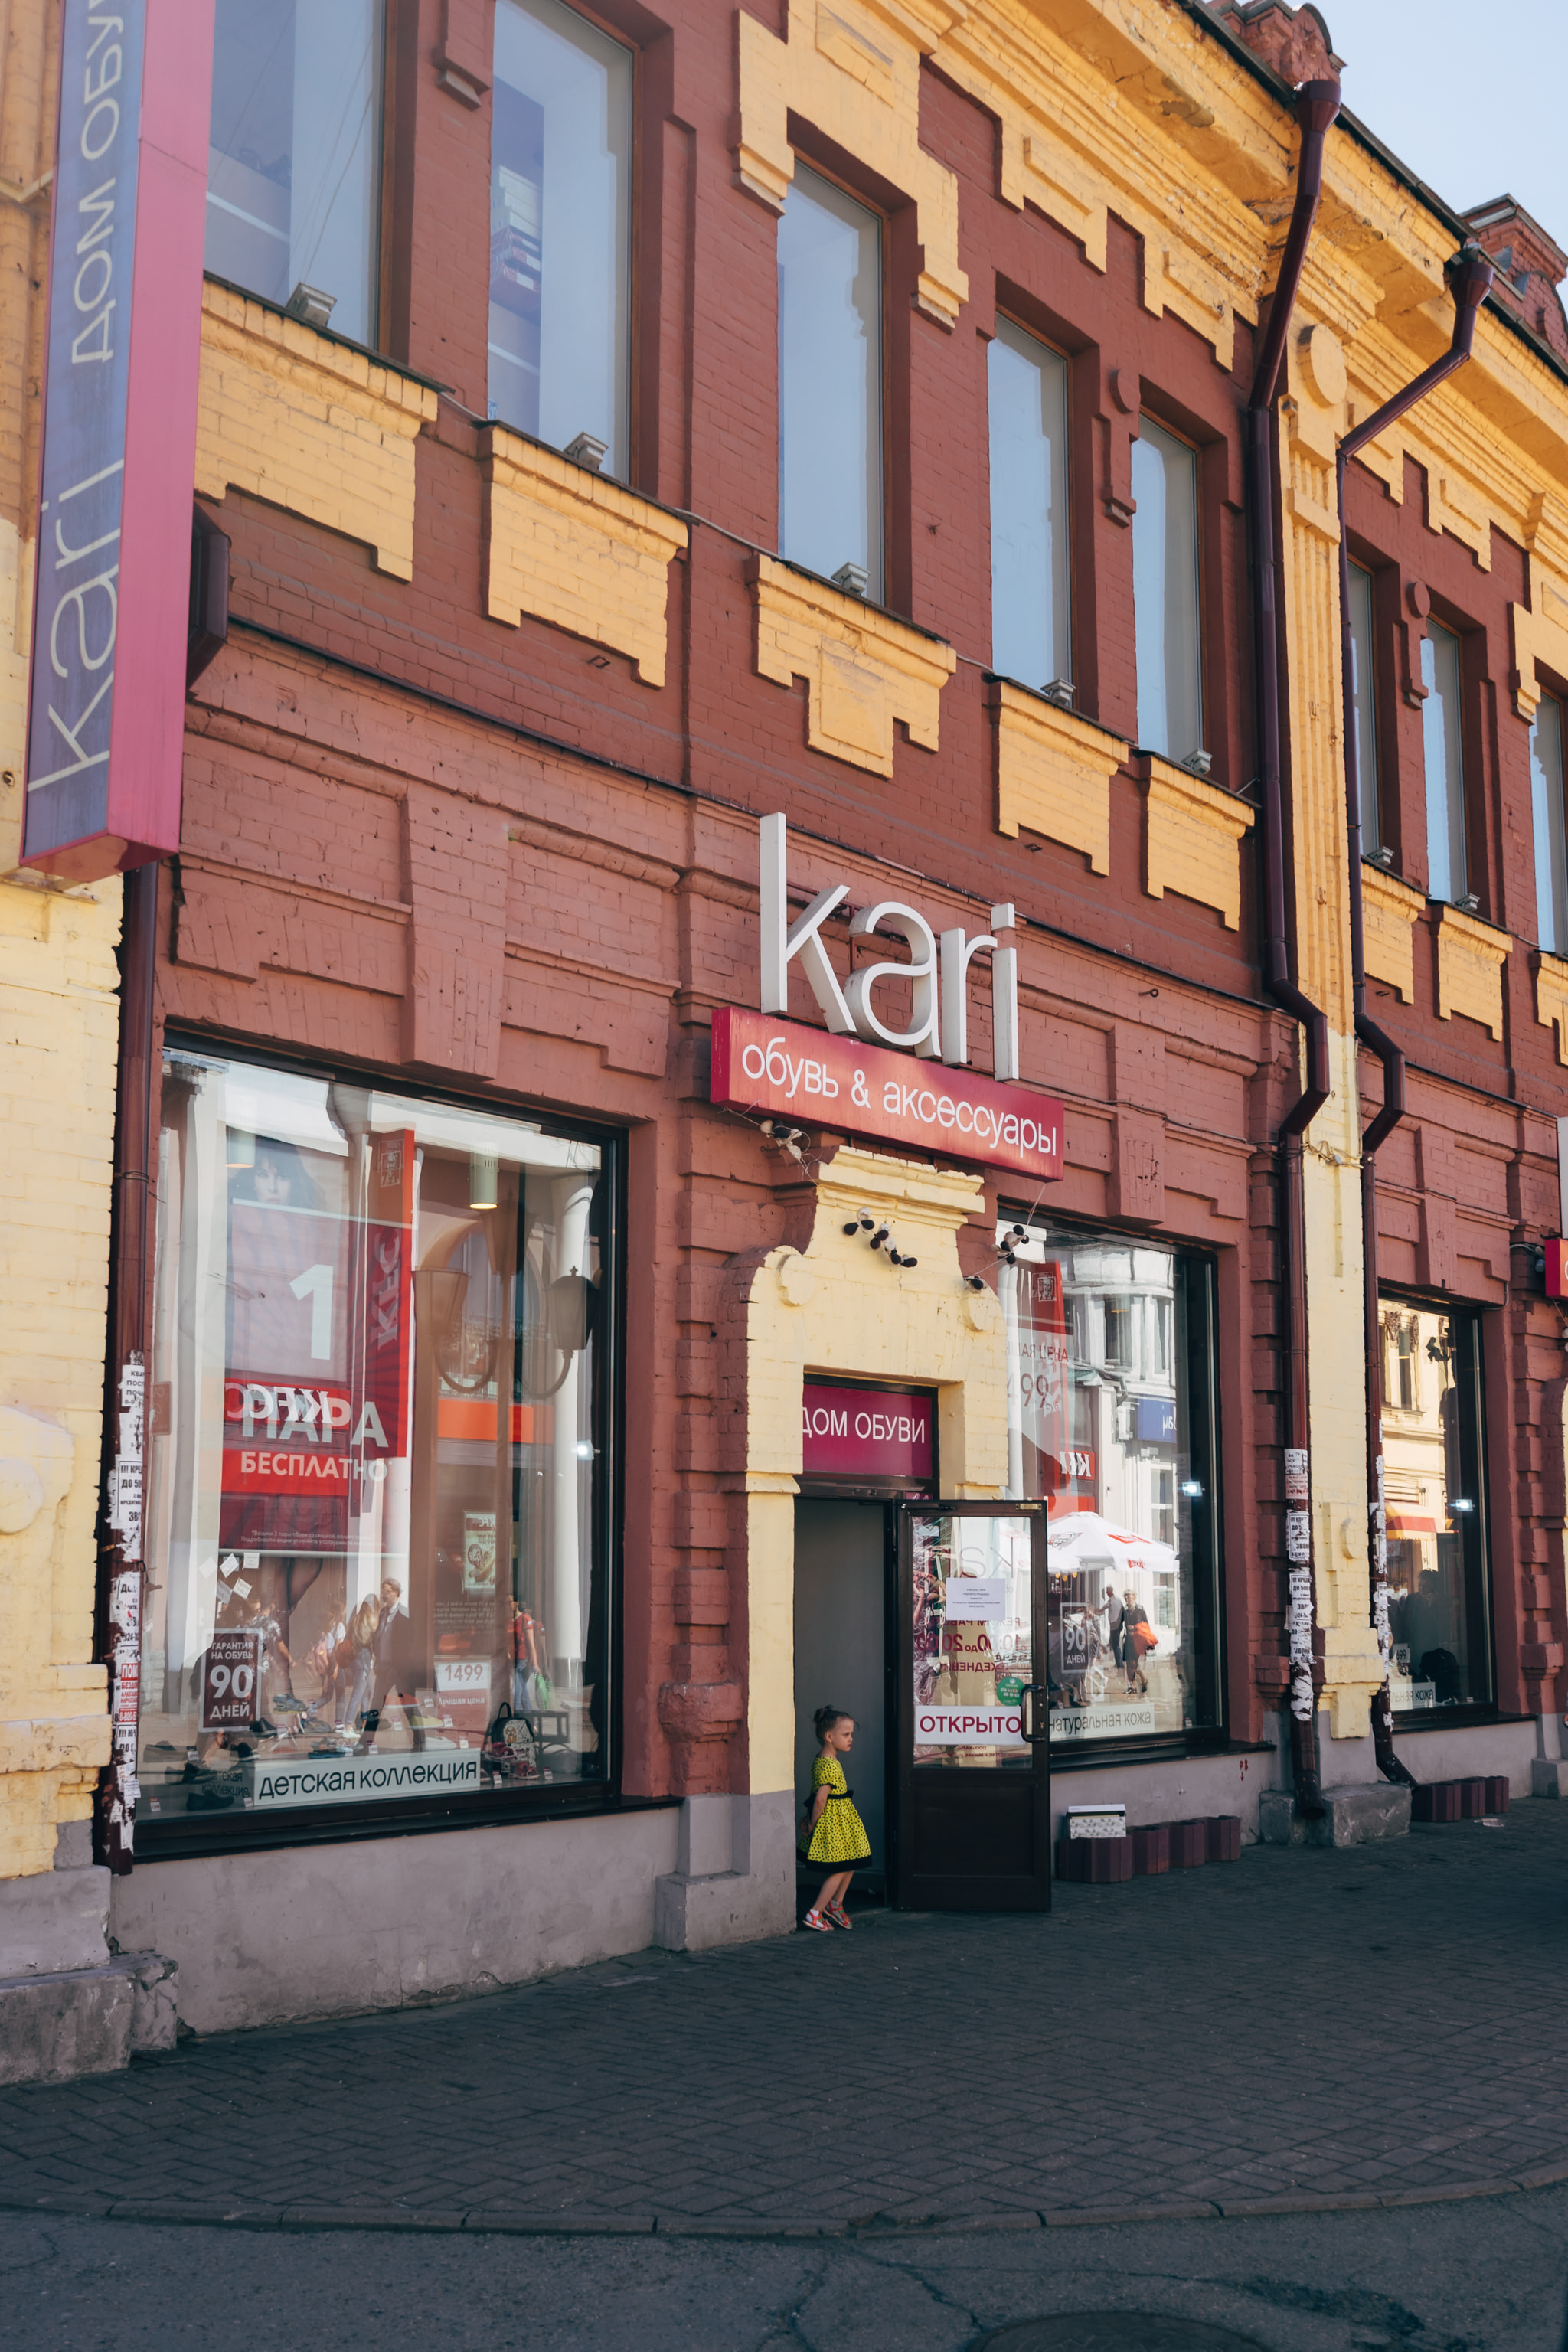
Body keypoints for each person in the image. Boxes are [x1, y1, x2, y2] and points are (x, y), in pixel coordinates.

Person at [799, 1705, 871, 1932]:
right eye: (846, 1734)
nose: (851, 1739)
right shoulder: (829, 1763)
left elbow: (814, 1794)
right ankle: (815, 1912)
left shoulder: (823, 1759)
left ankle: (835, 1904)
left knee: (853, 1860)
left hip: (841, 1819)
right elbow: (820, 1798)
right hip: (834, 1821)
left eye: (851, 1734)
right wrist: (813, 1824)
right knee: (842, 1866)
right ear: (829, 1737)